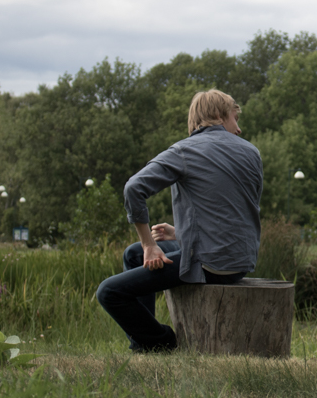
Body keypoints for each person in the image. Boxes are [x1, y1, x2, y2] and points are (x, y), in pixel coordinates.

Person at [96, 89, 263, 352]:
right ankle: (144, 345)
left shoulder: (185, 151)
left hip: (210, 264)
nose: (238, 129)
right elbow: (235, 213)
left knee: (109, 292)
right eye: (235, 119)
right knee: (133, 253)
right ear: (219, 116)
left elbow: (133, 189)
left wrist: (151, 245)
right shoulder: (252, 152)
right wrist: (179, 233)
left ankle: (161, 341)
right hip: (241, 261)